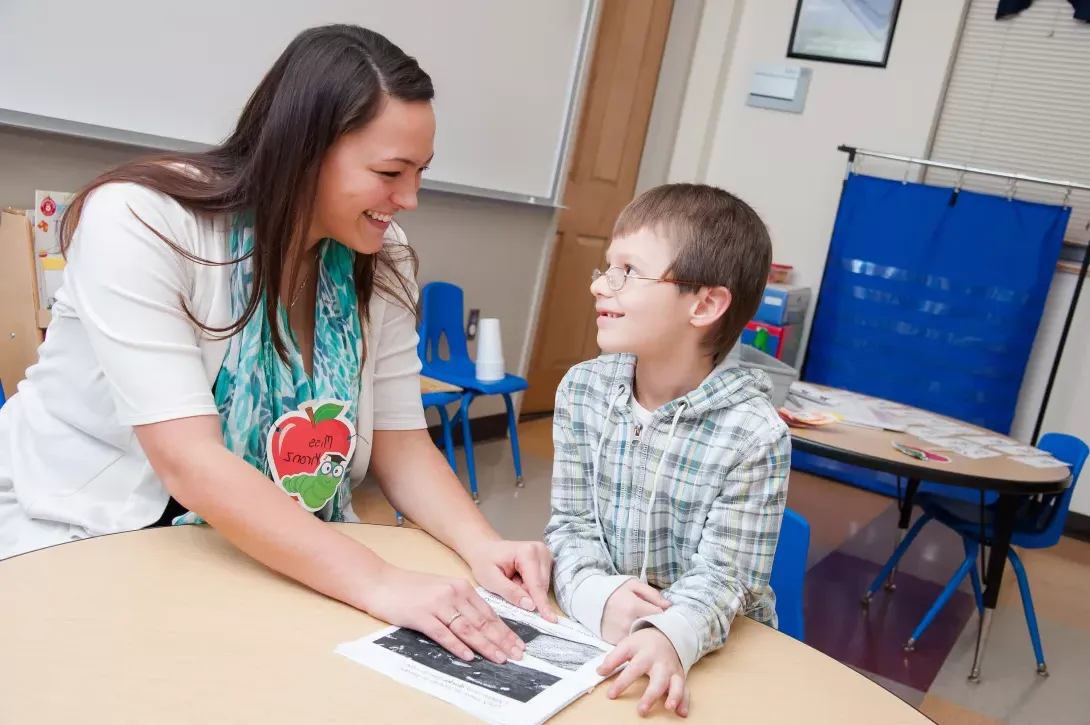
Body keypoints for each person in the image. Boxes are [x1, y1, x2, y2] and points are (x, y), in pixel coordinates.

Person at [0, 24, 556, 664]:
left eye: (420, 173)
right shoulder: (142, 219)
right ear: (302, 150)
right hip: (91, 535)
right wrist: (379, 580)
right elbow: (189, 460)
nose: (409, 199)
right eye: (389, 172)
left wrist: (482, 544)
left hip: (271, 548)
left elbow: (402, 443)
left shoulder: (383, 255)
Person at [543, 183, 790, 717]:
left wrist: (667, 634)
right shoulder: (582, 390)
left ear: (704, 303)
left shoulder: (754, 434)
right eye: (606, 268)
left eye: (627, 272)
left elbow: (727, 579)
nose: (600, 287)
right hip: (598, 636)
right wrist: (595, 595)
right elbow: (570, 525)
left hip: (707, 652)